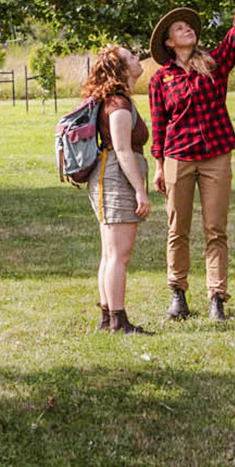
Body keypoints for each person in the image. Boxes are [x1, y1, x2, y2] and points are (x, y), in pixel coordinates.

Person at [147, 0, 235, 322]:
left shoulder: (214, 64)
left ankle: (216, 299)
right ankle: (177, 295)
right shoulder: (160, 79)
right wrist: (160, 167)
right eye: (179, 28)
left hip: (215, 155)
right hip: (178, 157)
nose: (187, 29)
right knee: (177, 229)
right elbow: (159, 126)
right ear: (169, 42)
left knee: (215, 229)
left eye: (188, 26)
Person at [82, 45, 154, 334]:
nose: (138, 59)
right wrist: (140, 190)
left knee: (110, 253)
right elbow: (123, 149)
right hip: (115, 177)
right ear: (121, 68)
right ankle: (118, 321)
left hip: (109, 175)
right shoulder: (119, 105)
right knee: (118, 255)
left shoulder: (116, 100)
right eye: (131, 57)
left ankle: (107, 318)